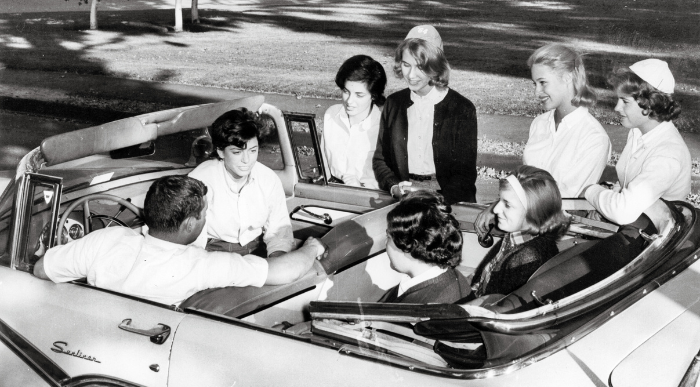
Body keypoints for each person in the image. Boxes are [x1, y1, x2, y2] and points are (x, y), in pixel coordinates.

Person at [32, 175, 326, 306]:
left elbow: (41, 269)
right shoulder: (201, 266)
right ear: (188, 225)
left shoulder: (106, 239)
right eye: (203, 216)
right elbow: (284, 271)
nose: (205, 220)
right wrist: (312, 247)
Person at [476, 44, 610, 238]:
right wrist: (500, 205)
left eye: (543, 82)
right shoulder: (540, 123)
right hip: (523, 227)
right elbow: (526, 183)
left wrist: (503, 206)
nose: (536, 92)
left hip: (560, 237)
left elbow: (563, 201)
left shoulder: (594, 138)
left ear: (567, 78)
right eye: (534, 84)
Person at [372, 25, 478, 205]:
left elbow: (464, 174)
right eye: (406, 65)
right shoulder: (394, 104)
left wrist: (438, 201)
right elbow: (381, 160)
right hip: (405, 198)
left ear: (436, 66)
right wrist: (394, 186)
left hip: (449, 201)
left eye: (420, 67)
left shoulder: (461, 108)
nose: (411, 75)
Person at [583, 59, 691, 227]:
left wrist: (590, 190)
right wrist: (605, 206)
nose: (617, 108)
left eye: (625, 101)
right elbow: (626, 183)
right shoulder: (638, 132)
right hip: (636, 225)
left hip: (656, 239)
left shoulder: (668, 153)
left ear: (650, 104)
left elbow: (623, 212)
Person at [188, 108, 294, 257]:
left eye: (252, 150)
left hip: (258, 251)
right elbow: (194, 242)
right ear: (220, 152)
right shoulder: (201, 180)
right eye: (237, 152)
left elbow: (279, 233)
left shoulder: (268, 179)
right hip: (214, 254)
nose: (247, 160)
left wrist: (277, 263)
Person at [469, 166, 570, 299]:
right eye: (499, 200)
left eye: (507, 204)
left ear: (533, 212)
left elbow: (499, 305)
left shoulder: (528, 257)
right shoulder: (515, 237)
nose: (496, 209)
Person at [378, 191, 471, 304]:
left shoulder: (420, 308)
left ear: (409, 245)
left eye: (388, 237)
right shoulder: (453, 276)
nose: (385, 243)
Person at [321, 55, 387, 189]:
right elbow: (323, 162)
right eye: (346, 91)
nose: (349, 101)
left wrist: (359, 186)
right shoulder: (331, 115)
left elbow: (389, 179)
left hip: (367, 196)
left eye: (359, 95)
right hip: (331, 191)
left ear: (373, 95)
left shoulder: (383, 126)